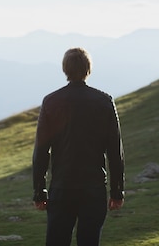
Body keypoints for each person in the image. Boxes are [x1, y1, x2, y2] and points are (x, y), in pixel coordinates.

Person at [32, 47, 125, 246]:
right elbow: (115, 151)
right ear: (88, 69)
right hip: (94, 188)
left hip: (62, 188)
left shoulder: (51, 101)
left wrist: (39, 192)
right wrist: (117, 192)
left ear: (65, 69)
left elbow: (41, 151)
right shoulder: (104, 101)